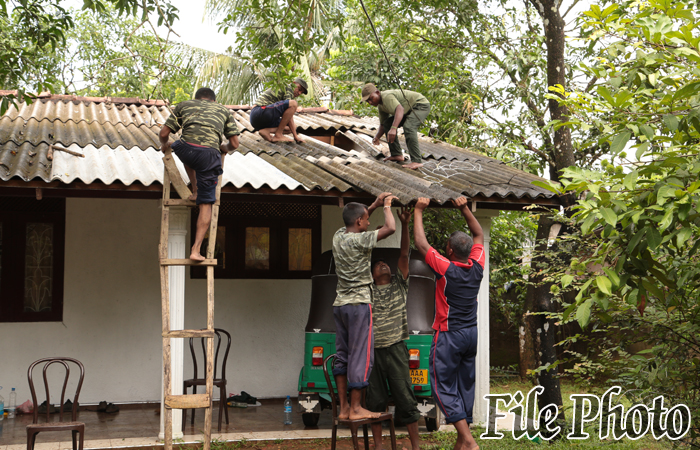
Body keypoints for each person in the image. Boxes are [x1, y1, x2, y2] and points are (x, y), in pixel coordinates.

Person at [413, 196, 484, 450]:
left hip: (448, 335)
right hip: (471, 335)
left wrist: (419, 210)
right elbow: (478, 234)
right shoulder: (477, 267)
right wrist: (464, 208)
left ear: (451, 251)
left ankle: (468, 440)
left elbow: (421, 244)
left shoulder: (446, 268)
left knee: (442, 384)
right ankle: (461, 442)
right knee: (464, 383)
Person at [332, 192, 398, 420]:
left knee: (343, 354)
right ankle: (357, 408)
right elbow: (390, 228)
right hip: (359, 305)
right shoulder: (361, 239)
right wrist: (387, 206)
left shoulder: (338, 236)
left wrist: (375, 204)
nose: (369, 222)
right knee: (361, 355)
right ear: (359, 222)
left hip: (340, 305)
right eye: (366, 219)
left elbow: (359, 219)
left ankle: (343, 409)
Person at [159, 87, 240, 262]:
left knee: (182, 148)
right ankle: (195, 250)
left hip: (185, 148)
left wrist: (164, 144)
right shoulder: (223, 111)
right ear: (213, 100)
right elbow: (235, 143)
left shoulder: (184, 105)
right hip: (209, 155)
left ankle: (195, 190)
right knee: (206, 204)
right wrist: (223, 149)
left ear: (197, 99)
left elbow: (164, 133)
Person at [367, 206, 421, 450]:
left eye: (385, 264)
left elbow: (403, 253)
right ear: (372, 274)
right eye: (378, 265)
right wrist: (371, 236)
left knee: (406, 399)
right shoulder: (366, 289)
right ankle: (379, 445)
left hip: (397, 348)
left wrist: (405, 224)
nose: (383, 265)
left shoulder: (400, 284)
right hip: (375, 351)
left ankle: (415, 445)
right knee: (375, 400)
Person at [362, 83, 431, 170]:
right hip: (408, 110)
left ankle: (417, 161)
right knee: (388, 124)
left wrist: (394, 128)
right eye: (368, 101)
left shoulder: (386, 97)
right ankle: (397, 154)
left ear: (378, 92)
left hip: (420, 105)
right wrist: (377, 137)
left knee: (409, 127)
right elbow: (383, 125)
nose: (370, 102)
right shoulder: (381, 107)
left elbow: (400, 109)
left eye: (371, 98)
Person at [249, 77, 308, 143]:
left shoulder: (287, 92)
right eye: (299, 89)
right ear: (293, 83)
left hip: (256, 121)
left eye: (301, 92)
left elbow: (288, 117)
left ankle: (266, 130)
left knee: (293, 127)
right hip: (259, 111)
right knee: (294, 103)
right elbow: (290, 112)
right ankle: (278, 135)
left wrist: (295, 135)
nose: (299, 93)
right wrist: (296, 137)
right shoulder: (289, 88)